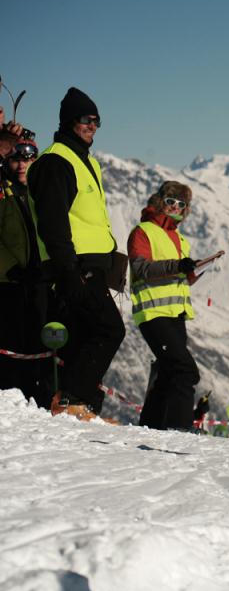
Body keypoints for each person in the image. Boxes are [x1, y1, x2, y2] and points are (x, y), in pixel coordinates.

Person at [26, 87, 125, 421]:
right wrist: (69, 272)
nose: (93, 126)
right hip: (75, 266)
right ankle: (70, 400)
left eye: (97, 120)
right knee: (109, 330)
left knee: (84, 336)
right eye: (86, 119)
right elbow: (53, 224)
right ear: (70, 121)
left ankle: (77, 407)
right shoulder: (56, 162)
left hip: (91, 266)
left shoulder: (86, 161)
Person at [128, 181, 205, 431]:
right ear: (161, 201)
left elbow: (177, 277)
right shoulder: (143, 231)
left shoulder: (180, 239)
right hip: (152, 312)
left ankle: (151, 426)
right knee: (185, 371)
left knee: (169, 372)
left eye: (182, 205)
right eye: (171, 201)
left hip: (176, 314)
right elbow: (141, 269)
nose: (176, 208)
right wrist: (177, 266)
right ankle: (180, 429)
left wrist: (192, 273)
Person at [0, 134, 47, 403]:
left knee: (36, 340)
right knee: (12, 342)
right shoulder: (3, 192)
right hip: (9, 282)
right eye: (17, 159)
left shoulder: (39, 194)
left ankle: (35, 394)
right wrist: (12, 269)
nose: (22, 165)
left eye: (29, 159)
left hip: (38, 280)